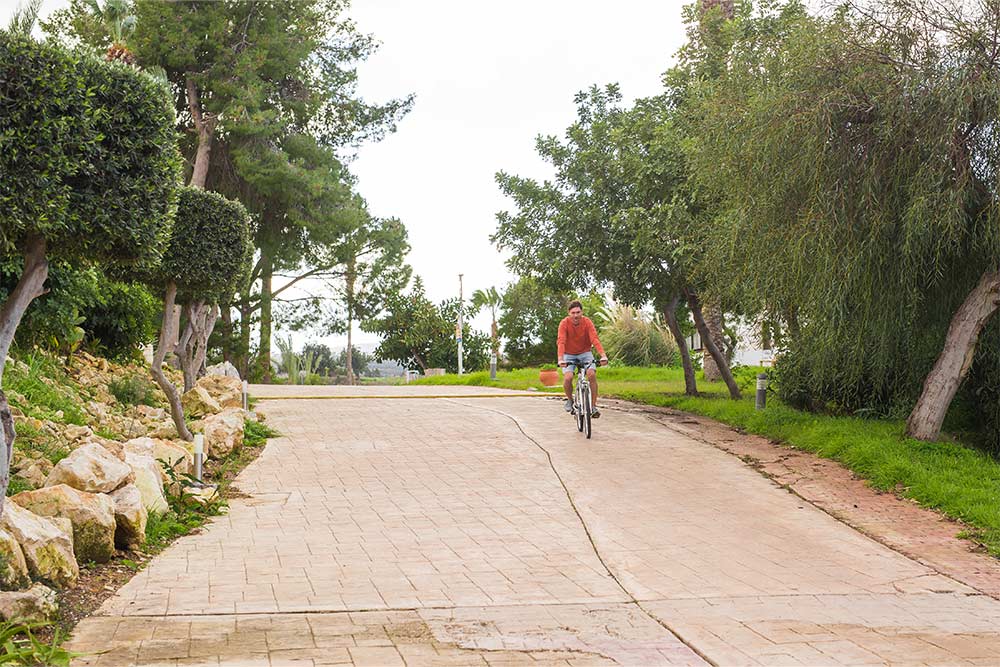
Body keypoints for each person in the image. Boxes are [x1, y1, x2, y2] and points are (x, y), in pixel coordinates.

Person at [557, 300, 608, 417]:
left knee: (591, 374)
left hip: (585, 353)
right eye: (573, 313)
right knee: (568, 377)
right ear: (569, 313)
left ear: (582, 312)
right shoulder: (564, 323)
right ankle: (570, 400)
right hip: (568, 354)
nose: (576, 315)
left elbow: (594, 339)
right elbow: (561, 341)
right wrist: (560, 359)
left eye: (578, 312)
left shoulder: (587, 322)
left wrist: (603, 355)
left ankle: (593, 406)